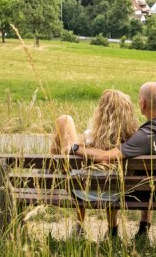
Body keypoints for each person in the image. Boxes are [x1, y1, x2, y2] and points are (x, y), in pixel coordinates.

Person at [59, 81, 156, 242]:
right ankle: (141, 230)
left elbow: (104, 156)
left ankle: (82, 227)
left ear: (142, 103)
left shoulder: (141, 137)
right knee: (148, 176)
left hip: (85, 192)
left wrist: (75, 147)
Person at [51, 89, 138, 239]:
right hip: (116, 194)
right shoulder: (133, 140)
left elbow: (70, 148)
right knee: (109, 181)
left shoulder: (90, 136)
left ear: (100, 111)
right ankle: (112, 229)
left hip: (81, 192)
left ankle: (79, 225)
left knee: (64, 120)